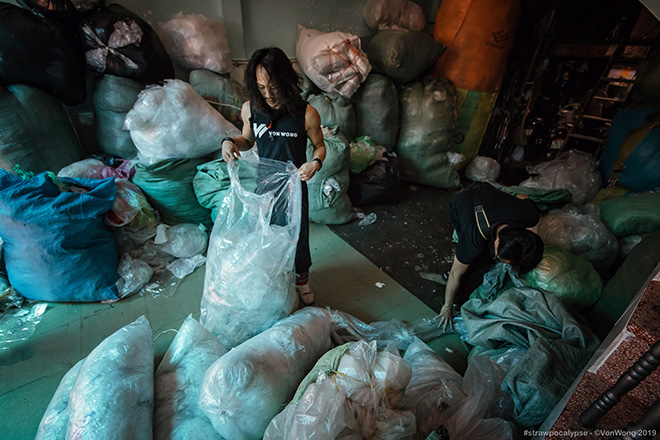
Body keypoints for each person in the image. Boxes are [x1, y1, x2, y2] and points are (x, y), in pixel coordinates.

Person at [221, 47, 326, 306]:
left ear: (286, 81)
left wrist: (315, 163)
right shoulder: (252, 109)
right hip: (265, 186)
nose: (268, 94)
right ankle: (275, 276)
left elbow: (320, 146)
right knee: (266, 234)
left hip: (294, 186)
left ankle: (301, 279)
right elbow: (246, 139)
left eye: (273, 87)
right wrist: (229, 142)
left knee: (298, 235)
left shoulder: (306, 113)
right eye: (261, 87)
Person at [439, 182, 544, 329]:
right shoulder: (474, 237)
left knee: (483, 263)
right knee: (479, 266)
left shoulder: (528, 214)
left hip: (486, 192)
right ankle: (459, 300)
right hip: (462, 204)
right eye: (502, 259)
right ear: (497, 241)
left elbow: (523, 196)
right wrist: (447, 306)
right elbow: (455, 274)